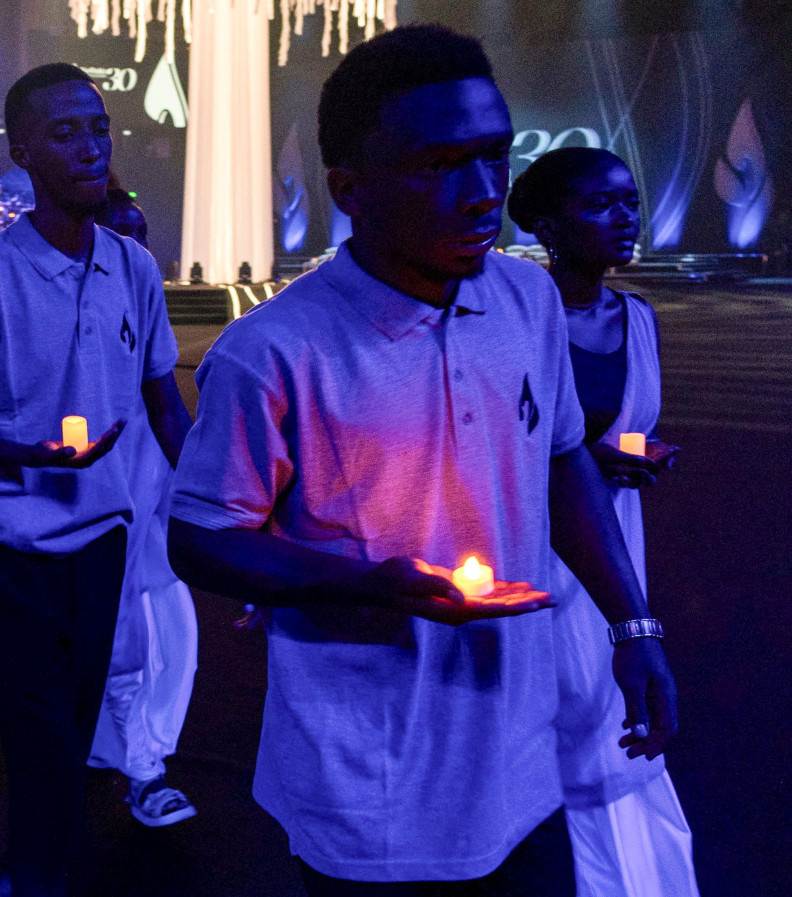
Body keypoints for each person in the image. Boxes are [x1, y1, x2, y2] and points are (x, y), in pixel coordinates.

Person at [166, 25, 678, 896]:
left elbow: (562, 463)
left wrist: (633, 625)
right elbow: (202, 536)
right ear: (349, 189)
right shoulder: (272, 352)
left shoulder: (525, 299)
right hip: (367, 787)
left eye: (494, 157)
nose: (485, 193)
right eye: (441, 166)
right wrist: (368, 581)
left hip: (523, 764)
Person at [0, 64, 193, 897]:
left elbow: (167, 411)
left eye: (98, 127)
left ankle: (41, 862)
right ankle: (32, 875)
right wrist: (26, 454)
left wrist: (233, 510)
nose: (90, 145)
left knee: (71, 729)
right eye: (65, 132)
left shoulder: (135, 267)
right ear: (22, 151)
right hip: (9, 545)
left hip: (105, 541)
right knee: (38, 731)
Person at [507, 147, 699, 897]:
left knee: (613, 721)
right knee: (564, 724)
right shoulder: (520, 310)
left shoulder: (639, 318)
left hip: (614, 545)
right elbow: (498, 438)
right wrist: (586, 458)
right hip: (535, 545)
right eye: (600, 206)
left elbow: (607, 428)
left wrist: (626, 450)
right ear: (549, 226)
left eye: (629, 202)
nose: (625, 219)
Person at [86, 183, 198, 827]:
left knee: (170, 628)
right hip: (91, 493)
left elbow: (166, 406)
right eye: (119, 232)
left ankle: (129, 754)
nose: (134, 245)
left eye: (142, 232)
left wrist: (219, 503)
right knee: (120, 636)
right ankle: (143, 772)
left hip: (151, 490)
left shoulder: (144, 291)